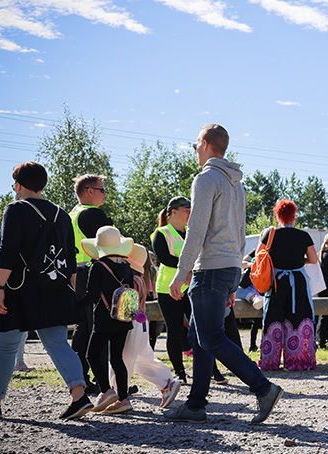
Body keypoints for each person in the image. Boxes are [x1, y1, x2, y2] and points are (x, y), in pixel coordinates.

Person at [163, 124, 283, 424]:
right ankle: (195, 405)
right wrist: (233, 280)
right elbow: (241, 232)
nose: (195, 151)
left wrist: (182, 271)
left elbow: (196, 228)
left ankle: (263, 388)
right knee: (200, 336)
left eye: (195, 146)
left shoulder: (206, 179)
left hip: (211, 268)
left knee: (211, 337)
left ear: (204, 145)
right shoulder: (236, 183)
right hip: (229, 266)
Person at [0, 161, 94, 420]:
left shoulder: (16, 209)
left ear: (18, 185)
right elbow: (71, 256)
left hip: (20, 289)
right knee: (59, 343)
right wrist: (70, 285)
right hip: (55, 287)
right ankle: (79, 396)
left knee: (4, 346)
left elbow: (7, 252)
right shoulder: (60, 213)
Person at [152, 196, 227, 384]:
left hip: (193, 287)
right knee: (175, 331)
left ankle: (213, 370)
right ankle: (180, 373)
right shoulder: (161, 233)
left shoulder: (191, 233)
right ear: (174, 211)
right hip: (168, 288)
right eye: (186, 210)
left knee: (202, 329)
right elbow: (165, 259)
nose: (190, 214)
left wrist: (191, 269)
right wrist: (188, 268)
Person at [255, 200, 318, 371]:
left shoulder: (269, 233)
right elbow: (313, 259)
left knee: (272, 318)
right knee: (298, 318)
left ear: (277, 215)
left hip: (276, 281)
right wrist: (299, 260)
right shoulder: (303, 236)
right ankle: (297, 361)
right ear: (294, 216)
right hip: (297, 281)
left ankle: (270, 362)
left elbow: (258, 255)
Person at [81, 226, 137, 414]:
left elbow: (92, 296)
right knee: (117, 358)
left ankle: (106, 391)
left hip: (105, 319)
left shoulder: (98, 266)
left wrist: (75, 305)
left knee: (92, 354)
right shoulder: (126, 266)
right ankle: (124, 399)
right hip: (123, 318)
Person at [120, 243, 181, 408]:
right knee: (143, 358)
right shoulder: (142, 276)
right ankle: (166, 382)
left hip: (130, 322)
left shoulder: (129, 279)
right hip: (141, 322)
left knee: (122, 358)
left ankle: (118, 394)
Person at [69, 174, 114, 393]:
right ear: (89, 191)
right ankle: (102, 382)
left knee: (83, 327)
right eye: (102, 190)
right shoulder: (92, 214)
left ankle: (81, 377)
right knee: (98, 327)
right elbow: (112, 245)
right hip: (93, 273)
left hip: (76, 274)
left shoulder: (72, 214)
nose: (105, 194)